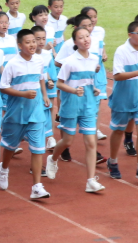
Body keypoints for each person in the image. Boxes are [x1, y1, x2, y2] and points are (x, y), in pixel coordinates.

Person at [45, 26, 105, 193]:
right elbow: (59, 83)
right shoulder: (70, 61)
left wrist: (93, 89)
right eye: (81, 37)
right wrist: (74, 90)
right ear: (75, 42)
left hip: (88, 105)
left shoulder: (94, 59)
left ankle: (91, 180)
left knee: (91, 142)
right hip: (71, 105)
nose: (86, 39)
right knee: (67, 141)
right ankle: (53, 158)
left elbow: (89, 81)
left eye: (87, 36)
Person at [0, 29, 52, 199]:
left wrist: (43, 94)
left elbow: (40, 77)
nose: (32, 45)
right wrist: (23, 94)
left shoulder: (39, 60)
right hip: (16, 112)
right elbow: (3, 87)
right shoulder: (12, 64)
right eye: (27, 42)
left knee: (38, 149)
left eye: (33, 41)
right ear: (19, 45)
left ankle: (37, 186)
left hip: (35, 112)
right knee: (9, 146)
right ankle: (4, 169)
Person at [105, 21, 138, 181]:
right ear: (130, 35)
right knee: (119, 131)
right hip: (123, 99)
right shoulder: (121, 51)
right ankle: (112, 162)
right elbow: (117, 76)